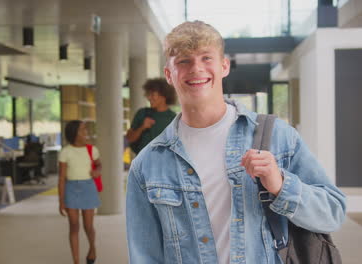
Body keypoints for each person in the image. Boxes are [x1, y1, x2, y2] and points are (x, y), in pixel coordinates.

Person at [125, 21, 346, 263]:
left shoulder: (278, 137)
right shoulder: (146, 165)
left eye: (206, 58)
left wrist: (281, 185)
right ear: (169, 74)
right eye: (184, 61)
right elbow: (145, 255)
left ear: (224, 66)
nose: (196, 68)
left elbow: (332, 213)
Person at [58, 120, 101, 264]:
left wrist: (97, 171)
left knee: (88, 226)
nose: (86, 132)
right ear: (74, 133)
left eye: (86, 129)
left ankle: (92, 248)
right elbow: (62, 178)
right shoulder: (65, 152)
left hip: (88, 188)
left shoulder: (92, 149)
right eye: (82, 130)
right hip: (71, 189)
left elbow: (99, 164)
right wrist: (61, 200)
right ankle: (76, 261)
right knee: (74, 225)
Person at [126, 78, 177, 154]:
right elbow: (129, 138)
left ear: (164, 95)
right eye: (148, 94)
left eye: (153, 95)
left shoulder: (173, 118)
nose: (149, 98)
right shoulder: (142, 113)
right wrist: (142, 127)